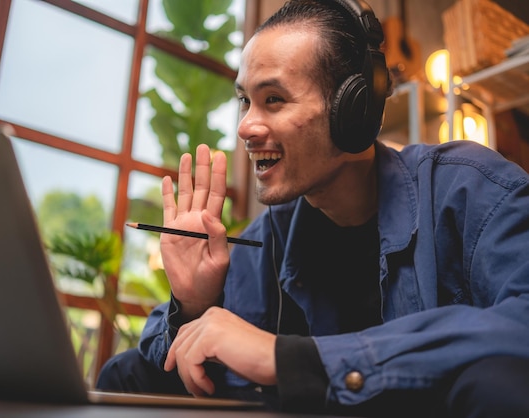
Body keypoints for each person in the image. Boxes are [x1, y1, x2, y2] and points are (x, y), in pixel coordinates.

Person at [97, 0, 529, 416]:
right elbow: (159, 350)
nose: (245, 126)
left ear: (354, 110)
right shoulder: (271, 233)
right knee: (128, 373)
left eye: (274, 100)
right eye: (244, 101)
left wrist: (293, 359)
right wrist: (195, 304)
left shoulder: (470, 189)